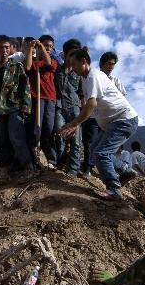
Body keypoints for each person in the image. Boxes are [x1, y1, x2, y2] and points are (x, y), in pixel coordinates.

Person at [59, 48, 138, 200]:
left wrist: (74, 123)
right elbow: (89, 107)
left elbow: (91, 103)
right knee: (95, 150)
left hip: (123, 120)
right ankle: (123, 168)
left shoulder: (93, 76)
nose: (72, 68)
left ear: (84, 62)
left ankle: (114, 191)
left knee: (101, 153)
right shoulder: (85, 79)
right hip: (113, 122)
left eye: (74, 64)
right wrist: (74, 123)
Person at [0, 34, 32, 172]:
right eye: (1, 47)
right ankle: (3, 171)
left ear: (11, 48)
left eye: (7, 47)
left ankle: (28, 167)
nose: (4, 50)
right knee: (0, 140)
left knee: (17, 137)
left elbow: (25, 86)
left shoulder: (16, 66)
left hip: (14, 106)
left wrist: (26, 107)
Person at [25, 35, 59, 168]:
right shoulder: (34, 62)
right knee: (35, 129)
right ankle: (34, 159)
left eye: (51, 46)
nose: (48, 48)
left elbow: (49, 63)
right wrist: (31, 48)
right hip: (37, 98)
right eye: (46, 46)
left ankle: (51, 160)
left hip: (50, 98)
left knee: (48, 128)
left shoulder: (53, 61)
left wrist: (43, 49)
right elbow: (27, 68)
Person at [54, 38, 83, 176]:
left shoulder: (80, 72)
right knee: (60, 136)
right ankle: (60, 162)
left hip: (75, 107)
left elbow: (82, 92)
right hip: (59, 107)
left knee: (76, 139)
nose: (74, 57)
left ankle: (73, 168)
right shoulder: (57, 69)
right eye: (71, 53)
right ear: (65, 55)